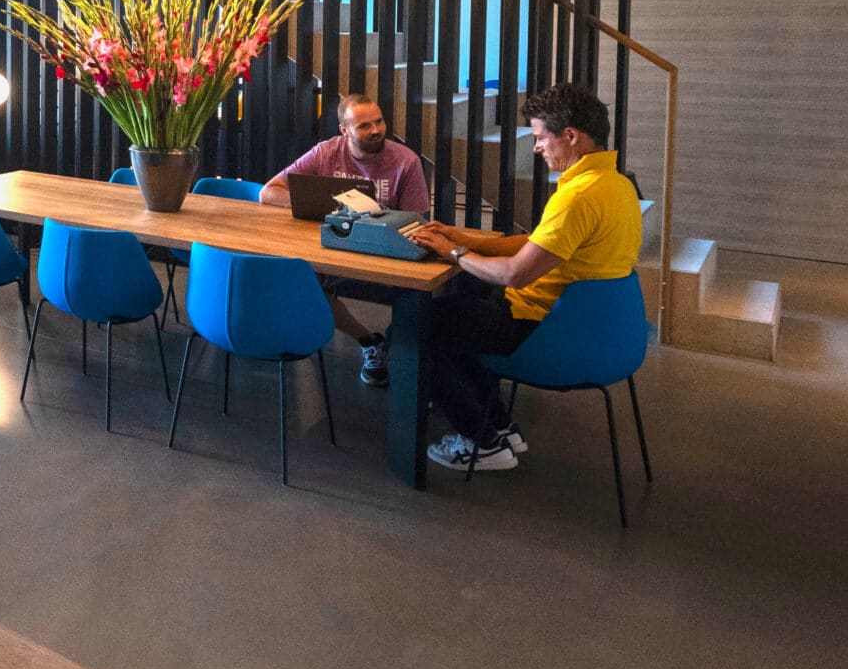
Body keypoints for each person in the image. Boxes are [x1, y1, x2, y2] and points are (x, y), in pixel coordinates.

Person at [409, 83, 642, 473]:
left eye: (540, 137)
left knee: (418, 324)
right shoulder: (616, 185)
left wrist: (453, 252)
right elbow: (539, 243)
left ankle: (482, 443)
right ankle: (498, 424)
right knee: (466, 294)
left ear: (571, 136)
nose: (536, 148)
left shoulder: (577, 197)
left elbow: (515, 274)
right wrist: (466, 239)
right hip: (585, 325)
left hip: (542, 327)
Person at [260, 93, 430, 387]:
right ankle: (369, 341)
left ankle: (410, 367)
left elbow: (418, 221)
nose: (376, 130)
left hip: (383, 249)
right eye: (364, 126)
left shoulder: (406, 161)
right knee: (300, 282)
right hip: (331, 244)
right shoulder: (326, 152)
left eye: (379, 122)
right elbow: (268, 192)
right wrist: (329, 208)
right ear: (344, 130)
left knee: (415, 298)